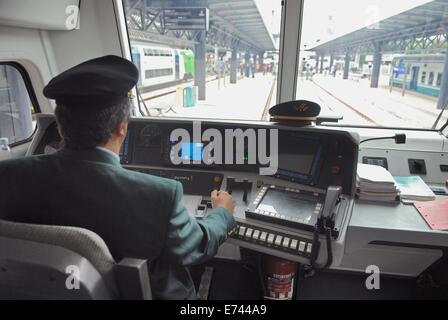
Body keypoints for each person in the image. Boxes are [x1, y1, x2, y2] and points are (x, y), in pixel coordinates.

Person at [0, 55, 236, 300]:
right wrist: (222, 213)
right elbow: (198, 247)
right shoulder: (160, 195)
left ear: (59, 125)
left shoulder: (7, 175)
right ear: (122, 127)